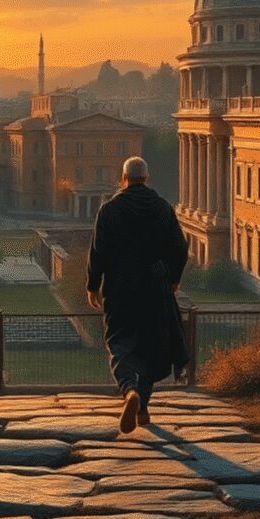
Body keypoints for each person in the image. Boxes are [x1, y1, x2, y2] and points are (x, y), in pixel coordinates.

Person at [86, 155, 189, 434]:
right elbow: (180, 247)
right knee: (150, 345)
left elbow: (99, 251)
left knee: (118, 342)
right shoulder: (163, 208)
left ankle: (129, 390)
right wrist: (174, 279)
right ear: (146, 178)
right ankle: (142, 406)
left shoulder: (109, 209)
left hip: (120, 286)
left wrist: (93, 285)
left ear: (123, 178)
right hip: (155, 287)